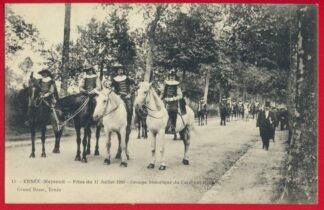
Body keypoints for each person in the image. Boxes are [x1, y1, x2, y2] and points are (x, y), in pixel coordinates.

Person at [111, 63, 136, 143]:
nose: (120, 71)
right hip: (118, 96)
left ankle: (128, 122)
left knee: (129, 106)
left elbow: (133, 87)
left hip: (126, 96)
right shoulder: (114, 79)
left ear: (123, 71)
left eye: (121, 70)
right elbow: (112, 88)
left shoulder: (127, 78)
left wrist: (129, 94)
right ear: (117, 71)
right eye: (119, 70)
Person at [162, 69, 183, 134]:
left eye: (173, 76)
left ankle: (173, 126)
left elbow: (180, 95)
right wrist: (163, 98)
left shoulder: (176, 85)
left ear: (174, 77)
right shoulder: (166, 84)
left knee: (173, 110)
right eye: (170, 76)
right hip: (166, 101)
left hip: (173, 102)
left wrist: (173, 99)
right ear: (169, 76)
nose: (171, 77)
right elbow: (163, 93)